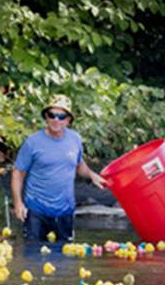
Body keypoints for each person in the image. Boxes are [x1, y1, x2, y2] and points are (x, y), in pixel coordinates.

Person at [11, 94, 107, 241]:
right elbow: (18, 172)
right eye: (52, 115)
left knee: (65, 258)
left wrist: (92, 175)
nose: (56, 120)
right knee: (32, 257)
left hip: (65, 211)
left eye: (61, 116)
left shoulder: (75, 139)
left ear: (68, 120)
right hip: (37, 210)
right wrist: (18, 203)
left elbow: (79, 165)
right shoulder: (32, 142)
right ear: (46, 116)